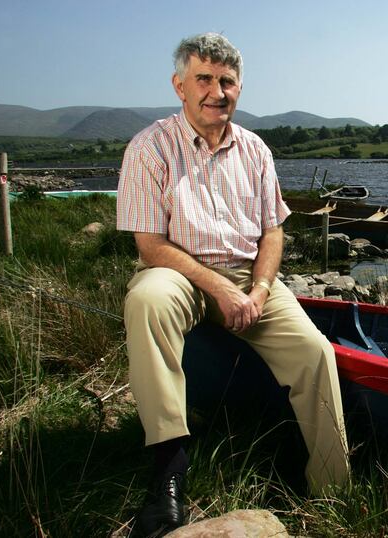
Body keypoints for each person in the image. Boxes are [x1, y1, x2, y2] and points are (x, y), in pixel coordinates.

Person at [116, 32, 350, 536]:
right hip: (177, 271)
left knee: (316, 352)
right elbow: (151, 246)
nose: (216, 91)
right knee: (147, 300)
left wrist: (260, 290)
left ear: (239, 88)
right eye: (204, 79)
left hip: (249, 276)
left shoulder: (256, 150)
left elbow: (272, 230)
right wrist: (218, 290)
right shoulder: (150, 147)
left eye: (227, 81)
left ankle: (332, 491)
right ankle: (168, 471)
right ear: (180, 85)